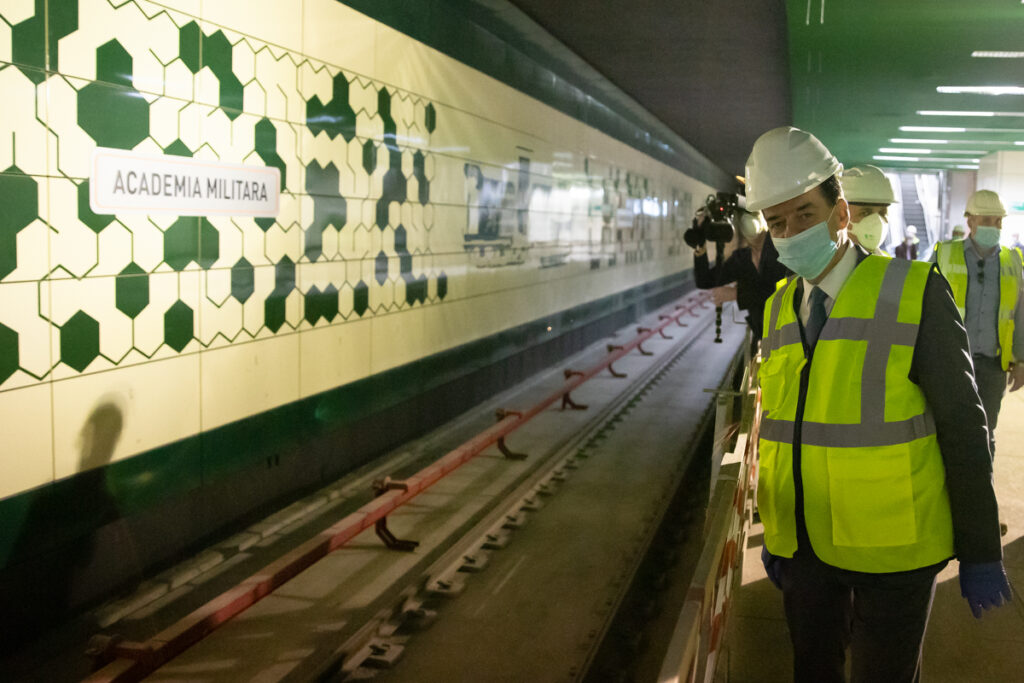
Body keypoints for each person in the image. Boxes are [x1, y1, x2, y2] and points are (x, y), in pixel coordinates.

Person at [746, 126, 1009, 683]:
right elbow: (780, 425)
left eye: (803, 215)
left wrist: (981, 545)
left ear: (840, 213)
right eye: (777, 222)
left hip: (896, 552)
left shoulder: (915, 291)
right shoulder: (777, 308)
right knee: (813, 671)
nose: (790, 233)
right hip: (806, 549)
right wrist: (777, 531)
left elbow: (963, 425)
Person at [932, 190, 1024, 465]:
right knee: (947, 428)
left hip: (992, 364)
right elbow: (923, 307)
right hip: (950, 361)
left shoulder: (1013, 260)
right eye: (987, 220)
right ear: (970, 221)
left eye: (998, 222)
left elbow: (1020, 313)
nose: (993, 227)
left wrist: (1020, 360)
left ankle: (982, 489)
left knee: (986, 430)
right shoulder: (944, 254)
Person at [690, 209, 789, 340]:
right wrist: (700, 245)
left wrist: (736, 294)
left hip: (788, 331)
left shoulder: (780, 248)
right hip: (765, 335)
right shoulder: (742, 258)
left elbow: (780, 291)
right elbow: (705, 281)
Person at [840, 164, 895, 255]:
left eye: (882, 213)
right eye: (865, 213)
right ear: (841, 214)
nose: (877, 221)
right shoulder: (818, 265)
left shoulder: (890, 266)